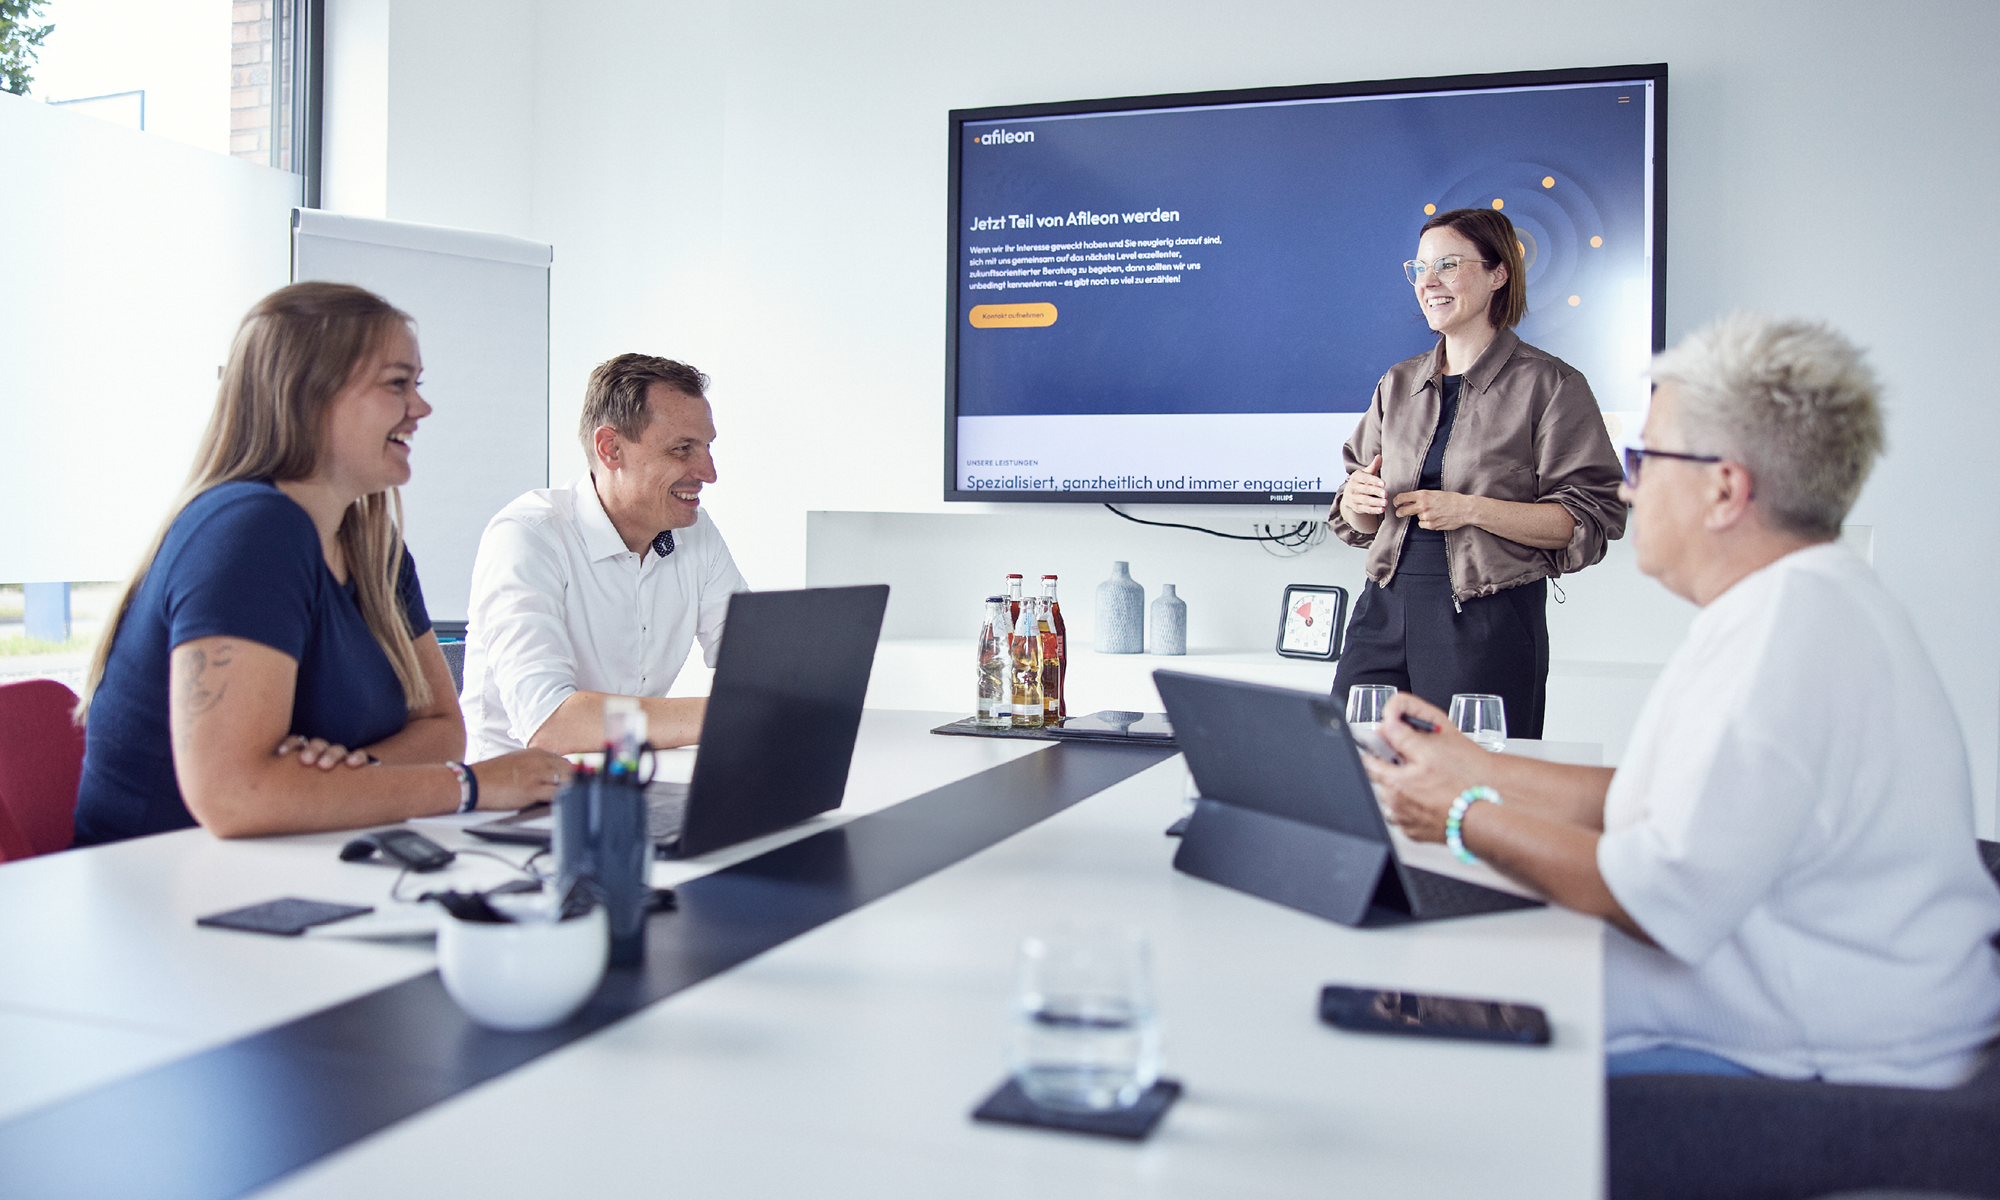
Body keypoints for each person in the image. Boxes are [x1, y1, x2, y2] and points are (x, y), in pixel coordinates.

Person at [1366, 313, 2000, 1086]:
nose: (1626, 486)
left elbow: (1654, 895)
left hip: (1818, 1071)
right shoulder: (1796, 600)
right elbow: (1658, 802)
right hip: (1798, 1028)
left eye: (1644, 458)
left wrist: (1459, 814)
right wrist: (1473, 767)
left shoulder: (1789, 629)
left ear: (1724, 489)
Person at [72, 283, 572, 845]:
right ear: (308, 394)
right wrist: (473, 786)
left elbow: (441, 730)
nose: (421, 408)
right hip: (162, 878)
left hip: (290, 860)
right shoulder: (250, 530)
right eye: (397, 384)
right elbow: (234, 796)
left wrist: (330, 782)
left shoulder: (372, 545)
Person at [1328, 207, 1626, 738]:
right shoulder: (1397, 383)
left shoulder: (1551, 384)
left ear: (1498, 274)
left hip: (1488, 618)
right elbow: (1358, 518)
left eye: (1447, 264)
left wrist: (1469, 510)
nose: (1428, 282)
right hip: (1383, 609)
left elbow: (1590, 519)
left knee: (1473, 776)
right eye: (1419, 268)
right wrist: (1356, 502)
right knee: (1354, 762)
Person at [460, 354, 748, 760]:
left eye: (707, 446)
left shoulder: (695, 533)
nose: (708, 472)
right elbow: (553, 725)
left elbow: (752, 663)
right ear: (610, 448)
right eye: (682, 449)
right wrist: (730, 714)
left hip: (628, 777)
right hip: (520, 791)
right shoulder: (529, 537)